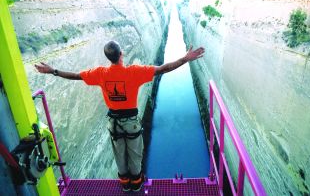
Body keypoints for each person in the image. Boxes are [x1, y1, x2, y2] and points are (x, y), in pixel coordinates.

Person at [35, 40, 205, 192]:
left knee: (119, 154)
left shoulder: (100, 73)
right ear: (121, 54)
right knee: (135, 154)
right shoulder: (135, 72)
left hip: (114, 123)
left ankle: (125, 185)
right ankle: (136, 185)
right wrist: (185, 59)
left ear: (108, 57)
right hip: (131, 123)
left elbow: (76, 76)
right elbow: (163, 68)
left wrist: (53, 71)